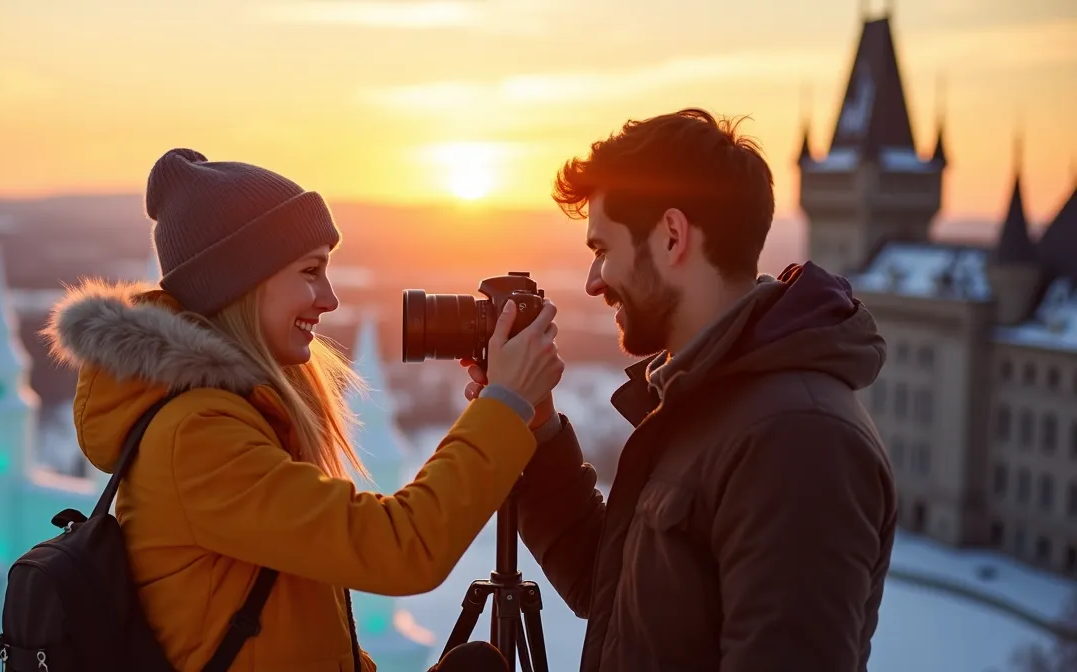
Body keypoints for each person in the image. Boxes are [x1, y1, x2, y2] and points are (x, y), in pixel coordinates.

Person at [44, 148, 563, 672]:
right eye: (311, 271)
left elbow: (285, 642)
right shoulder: (197, 438)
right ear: (240, 282)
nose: (330, 298)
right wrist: (504, 405)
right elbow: (403, 550)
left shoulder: (236, 420)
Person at [461, 109, 898, 671]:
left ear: (671, 236)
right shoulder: (705, 400)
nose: (594, 281)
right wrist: (537, 430)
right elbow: (615, 591)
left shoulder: (799, 439)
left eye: (602, 250)